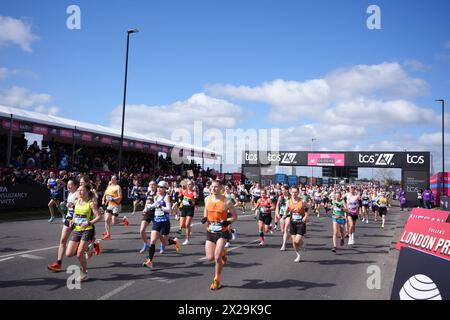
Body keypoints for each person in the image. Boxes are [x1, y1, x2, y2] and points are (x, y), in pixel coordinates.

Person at [202, 180, 237, 290]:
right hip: (211, 231)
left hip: (222, 231)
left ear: (221, 188)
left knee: (217, 257)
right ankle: (223, 253)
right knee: (210, 258)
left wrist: (228, 221)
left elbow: (235, 216)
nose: (213, 188)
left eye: (216, 187)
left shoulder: (227, 201)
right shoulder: (207, 199)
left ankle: (217, 280)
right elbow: (206, 211)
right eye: (212, 186)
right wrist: (205, 219)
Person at [65, 184, 102, 282]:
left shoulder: (91, 203)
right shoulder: (76, 202)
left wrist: (88, 222)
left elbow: (99, 216)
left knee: (79, 254)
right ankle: (89, 247)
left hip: (88, 229)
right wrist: (72, 221)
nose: (79, 192)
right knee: (69, 253)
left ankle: (84, 273)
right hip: (77, 230)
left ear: (87, 192)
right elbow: (75, 215)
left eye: (82, 190)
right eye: (78, 190)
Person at [143, 181, 180, 269]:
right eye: (158, 187)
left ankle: (174, 241)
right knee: (152, 241)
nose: (159, 188)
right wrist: (149, 207)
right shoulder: (156, 196)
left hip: (165, 223)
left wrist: (159, 206)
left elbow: (169, 210)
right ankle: (150, 261)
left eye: (161, 187)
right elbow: (154, 206)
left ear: (165, 189)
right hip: (156, 222)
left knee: (165, 242)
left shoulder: (166, 197)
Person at [47, 180, 78, 272]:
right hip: (69, 219)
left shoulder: (78, 194)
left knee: (80, 243)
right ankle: (58, 263)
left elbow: (80, 206)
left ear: (75, 186)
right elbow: (70, 206)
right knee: (63, 240)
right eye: (68, 185)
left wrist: (72, 207)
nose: (68, 187)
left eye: (70, 185)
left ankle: (91, 244)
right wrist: (66, 205)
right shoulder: (69, 194)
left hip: (77, 220)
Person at [285, 186, 309, 262]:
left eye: (296, 192)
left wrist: (305, 216)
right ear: (291, 192)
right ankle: (298, 255)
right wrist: (284, 215)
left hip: (300, 223)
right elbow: (287, 210)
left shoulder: (302, 201)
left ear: (298, 193)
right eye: (293, 192)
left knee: (297, 241)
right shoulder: (288, 201)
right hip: (293, 223)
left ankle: (302, 244)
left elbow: (308, 208)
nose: (294, 194)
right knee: (294, 242)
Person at [102, 175, 128, 240]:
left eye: (114, 179)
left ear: (116, 180)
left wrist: (113, 199)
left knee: (114, 222)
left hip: (116, 205)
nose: (113, 180)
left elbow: (120, 197)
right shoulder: (109, 187)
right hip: (109, 205)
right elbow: (106, 195)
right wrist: (104, 200)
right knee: (107, 219)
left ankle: (123, 220)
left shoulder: (118, 187)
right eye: (112, 179)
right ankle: (108, 234)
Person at [139, 181, 157, 253]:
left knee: (158, 233)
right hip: (148, 213)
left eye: (153, 185)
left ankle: (163, 245)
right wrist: (144, 209)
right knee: (142, 230)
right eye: (150, 185)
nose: (152, 186)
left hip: (156, 213)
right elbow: (147, 202)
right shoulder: (149, 192)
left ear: (156, 186)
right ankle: (146, 244)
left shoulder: (158, 193)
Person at [179, 180, 198, 245]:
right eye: (188, 184)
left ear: (192, 185)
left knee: (187, 224)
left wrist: (193, 202)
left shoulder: (194, 193)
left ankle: (187, 239)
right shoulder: (184, 191)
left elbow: (195, 201)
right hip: (184, 208)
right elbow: (180, 197)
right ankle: (189, 229)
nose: (189, 185)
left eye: (190, 184)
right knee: (181, 225)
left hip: (190, 209)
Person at [276, 185, 291, 251]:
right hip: (282, 214)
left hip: (289, 214)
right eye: (281, 190)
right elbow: (277, 206)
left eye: (283, 190)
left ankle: (283, 245)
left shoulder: (291, 197)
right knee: (282, 230)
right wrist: (277, 213)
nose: (282, 191)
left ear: (287, 190)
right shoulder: (280, 197)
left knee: (285, 229)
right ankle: (289, 236)